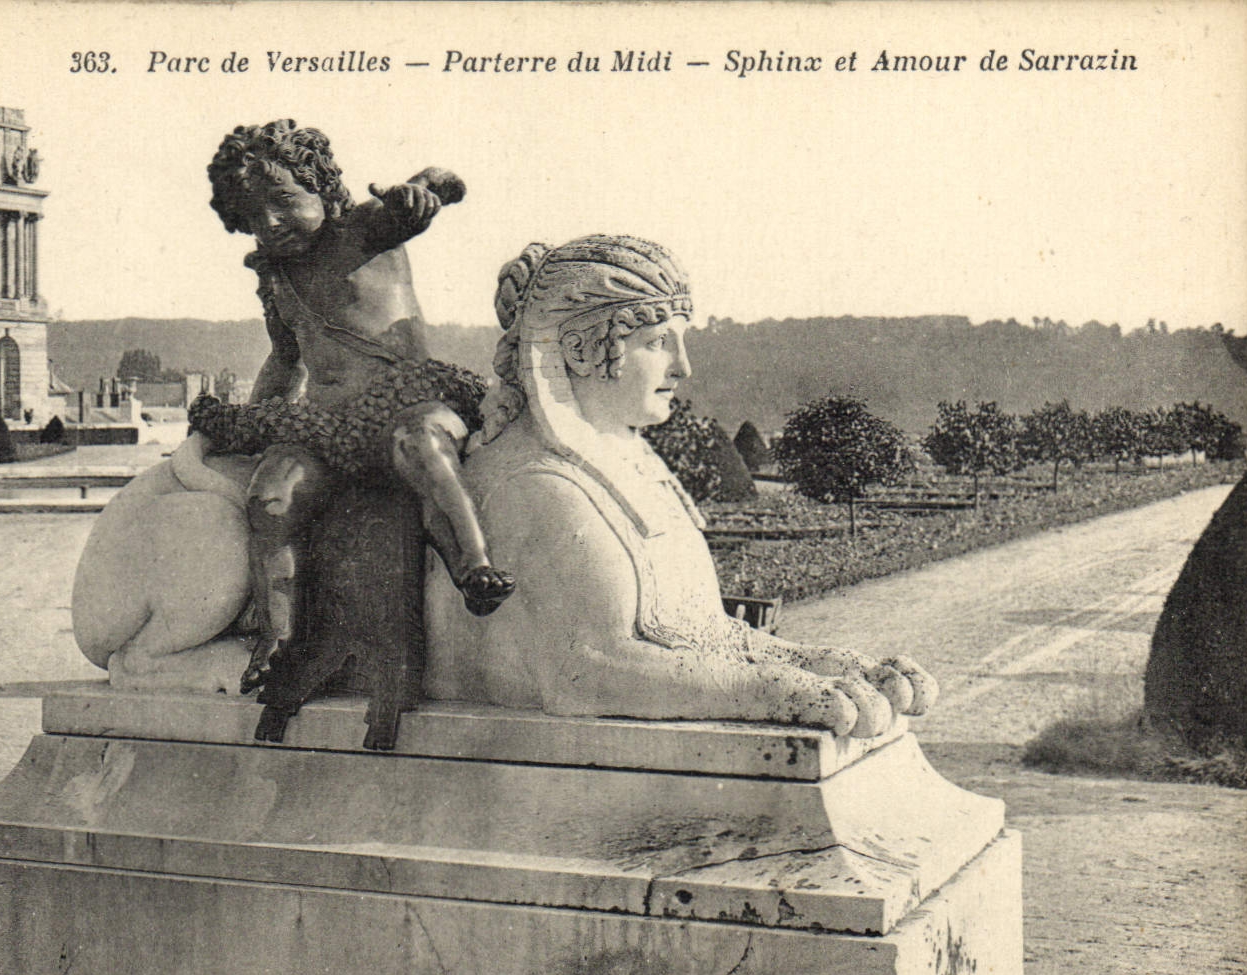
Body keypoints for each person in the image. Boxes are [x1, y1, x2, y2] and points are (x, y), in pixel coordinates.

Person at [424, 235, 936, 736]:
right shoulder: (533, 483)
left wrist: (829, 665)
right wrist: (779, 692)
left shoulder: (623, 462)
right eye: (656, 343)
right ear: (578, 350)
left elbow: (701, 633)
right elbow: (586, 675)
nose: (683, 367)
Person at [189, 119, 514, 693]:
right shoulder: (277, 280)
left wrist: (423, 193)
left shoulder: (366, 229)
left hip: (408, 400)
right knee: (271, 497)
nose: (269, 222)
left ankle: (475, 566)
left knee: (420, 446)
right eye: (252, 214)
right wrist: (253, 424)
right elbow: (285, 361)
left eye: (284, 201)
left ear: (322, 187)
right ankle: (279, 636)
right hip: (327, 423)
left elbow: (445, 182)